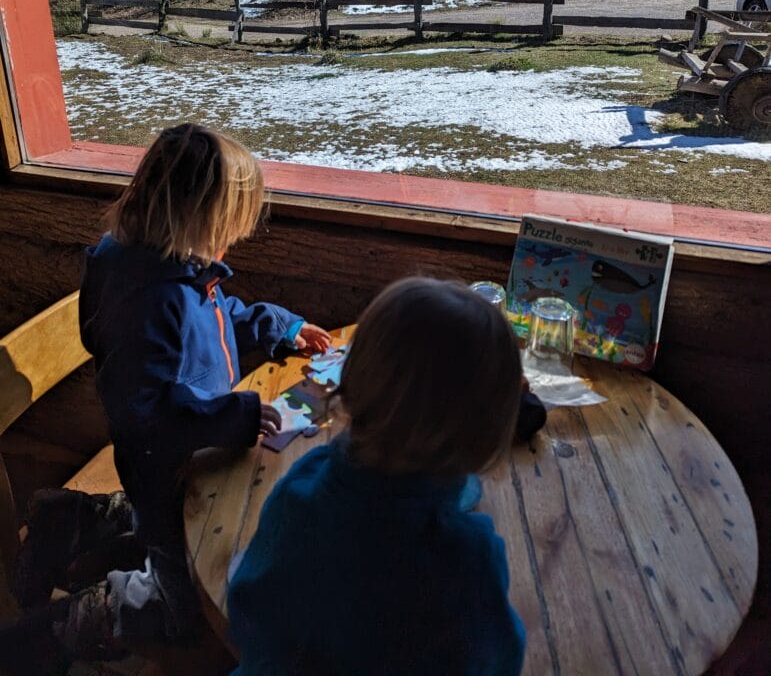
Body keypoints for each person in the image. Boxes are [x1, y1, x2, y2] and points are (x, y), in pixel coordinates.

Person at [2, 123, 330, 674]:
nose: (234, 239)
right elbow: (145, 415)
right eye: (231, 226)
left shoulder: (174, 269)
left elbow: (218, 319)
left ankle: (70, 520)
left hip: (186, 449)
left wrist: (278, 326)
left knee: (168, 521)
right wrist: (237, 414)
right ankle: (63, 626)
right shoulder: (152, 298)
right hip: (165, 459)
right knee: (184, 608)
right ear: (197, 219)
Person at [228, 276, 526, 676]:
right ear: (486, 434)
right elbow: (499, 660)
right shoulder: (466, 557)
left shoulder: (303, 486)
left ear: (350, 384)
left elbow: (249, 607)